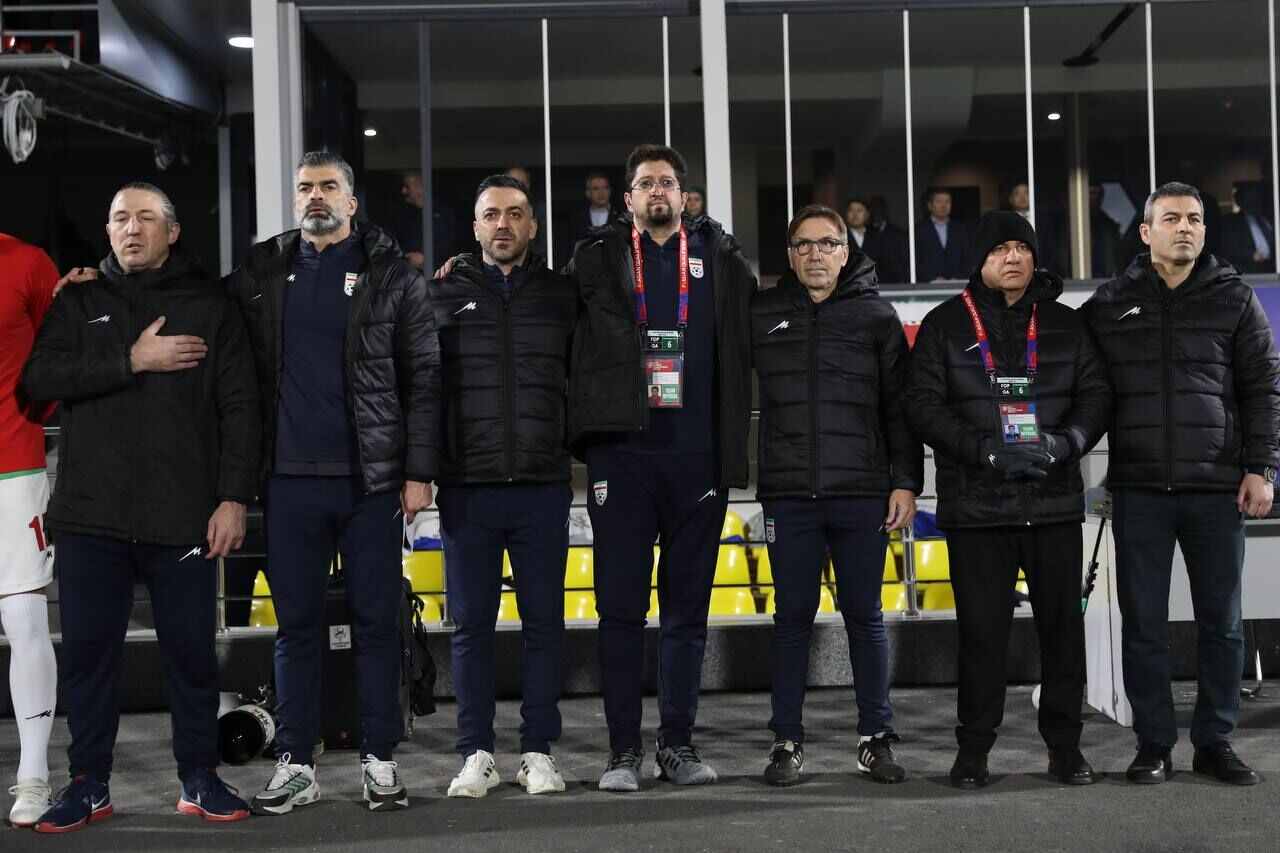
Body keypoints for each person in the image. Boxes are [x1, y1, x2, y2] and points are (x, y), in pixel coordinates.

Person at [22, 183, 261, 830]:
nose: (131, 229)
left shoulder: (210, 305)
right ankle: (88, 784)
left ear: (172, 231)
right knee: (89, 662)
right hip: (90, 519)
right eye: (120, 219)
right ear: (107, 230)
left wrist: (233, 497)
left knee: (191, 657)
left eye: (146, 218)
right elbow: (38, 382)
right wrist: (130, 358)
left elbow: (241, 408)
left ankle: (199, 777)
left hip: (182, 517)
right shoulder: (78, 300)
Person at [226, 151, 441, 814]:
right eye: (305, 187)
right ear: (295, 200)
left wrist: (419, 471)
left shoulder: (391, 274)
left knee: (377, 625)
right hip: (289, 483)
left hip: (370, 483)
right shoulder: (263, 271)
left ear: (351, 201)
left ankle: (379, 758)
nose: (315, 196)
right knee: (295, 629)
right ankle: (296, 762)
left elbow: (424, 376)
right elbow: (205, 317)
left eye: (328, 186)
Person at [568, 143, 756, 792]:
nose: (657, 191)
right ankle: (622, 750)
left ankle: (676, 743)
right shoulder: (594, 259)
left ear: (684, 196)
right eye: (646, 182)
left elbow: (762, 321)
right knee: (620, 613)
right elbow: (552, 320)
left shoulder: (720, 259)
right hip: (621, 457)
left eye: (667, 182)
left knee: (685, 615)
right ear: (627, 199)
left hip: (696, 459)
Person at [1082, 182, 1280, 787]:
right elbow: (1079, 383)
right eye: (1171, 218)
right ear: (1146, 232)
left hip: (1217, 490)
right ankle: (1154, 744)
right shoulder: (1111, 303)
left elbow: (1264, 388)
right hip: (1139, 490)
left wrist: (1262, 468)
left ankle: (1215, 741)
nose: (1186, 227)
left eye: (1194, 218)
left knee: (1222, 623)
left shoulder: (1234, 298)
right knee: (1143, 625)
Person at [905, 211, 1110, 789]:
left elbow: (1096, 394)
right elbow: (922, 404)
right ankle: (973, 751)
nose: (1013, 257)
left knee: (1062, 637)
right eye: (1000, 250)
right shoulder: (946, 324)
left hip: (1053, 504)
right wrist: (982, 451)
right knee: (981, 638)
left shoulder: (1066, 323)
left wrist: (1066, 443)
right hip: (978, 510)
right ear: (980, 261)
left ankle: (1065, 749)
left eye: (1022, 247)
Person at [751, 205, 922, 787]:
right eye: (803, 245)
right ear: (790, 255)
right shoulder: (762, 313)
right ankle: (786, 741)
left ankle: (876, 737)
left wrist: (905, 480)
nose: (815, 254)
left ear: (846, 253)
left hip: (862, 493)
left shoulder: (877, 317)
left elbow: (899, 408)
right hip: (789, 495)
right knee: (791, 620)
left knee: (865, 617)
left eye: (827, 244)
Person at [433, 175, 577, 799]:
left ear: (532, 226)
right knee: (471, 628)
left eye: (515, 214)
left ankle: (538, 751)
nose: (503, 224)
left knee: (544, 624)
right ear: (475, 227)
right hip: (468, 488)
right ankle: (476, 753)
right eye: (491, 214)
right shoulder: (441, 295)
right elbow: (424, 389)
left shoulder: (562, 295)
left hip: (543, 485)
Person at [0, 235, 65, 827]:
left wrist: (24, 420)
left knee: (23, 618)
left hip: (12, 467)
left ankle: (34, 774)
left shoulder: (26, 263)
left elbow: (59, 352)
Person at [393, 169, 457, 271]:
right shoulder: (404, 216)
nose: (403, 191)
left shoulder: (443, 214)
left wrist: (425, 260)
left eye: (407, 186)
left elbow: (450, 248)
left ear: (420, 186)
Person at [914, 188, 973, 282]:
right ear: (930, 206)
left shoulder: (960, 229)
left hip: (957, 284)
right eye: (939, 201)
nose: (943, 206)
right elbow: (915, 261)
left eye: (947, 202)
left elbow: (967, 259)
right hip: (928, 285)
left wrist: (958, 278)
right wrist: (932, 279)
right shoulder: (918, 230)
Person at [1219, 183, 1275, 275]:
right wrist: (1251, 255)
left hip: (1271, 269)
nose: (1254, 201)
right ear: (1240, 201)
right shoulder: (1231, 221)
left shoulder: (1265, 218)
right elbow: (1229, 249)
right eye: (1250, 198)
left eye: (1256, 198)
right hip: (1249, 272)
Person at [568, 171, 620, 252]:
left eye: (605, 188)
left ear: (610, 191)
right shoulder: (578, 219)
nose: (601, 193)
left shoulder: (620, 216)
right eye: (596, 189)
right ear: (588, 193)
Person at [866, 195, 910, 285]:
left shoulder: (897, 234)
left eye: (879, 208)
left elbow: (904, 261)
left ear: (885, 210)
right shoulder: (864, 233)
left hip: (894, 283)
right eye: (873, 209)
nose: (876, 212)